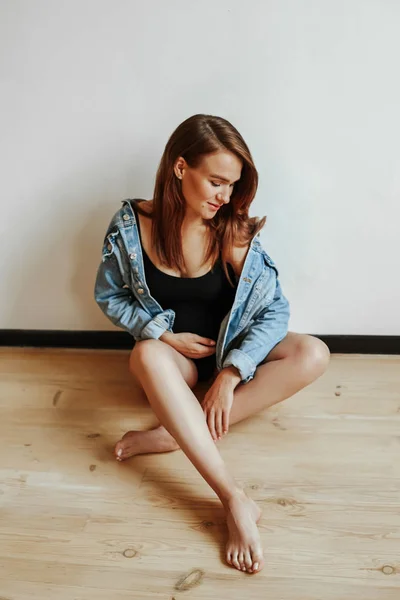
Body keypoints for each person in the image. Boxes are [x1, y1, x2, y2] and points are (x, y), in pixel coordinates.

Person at [94, 114, 330, 575]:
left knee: (312, 353)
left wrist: (231, 371)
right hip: (174, 365)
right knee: (144, 353)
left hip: (227, 357)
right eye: (216, 181)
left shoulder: (232, 230)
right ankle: (234, 497)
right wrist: (162, 334)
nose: (224, 196)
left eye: (233, 185)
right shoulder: (130, 226)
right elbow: (110, 295)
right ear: (181, 168)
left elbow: (275, 311)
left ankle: (172, 434)